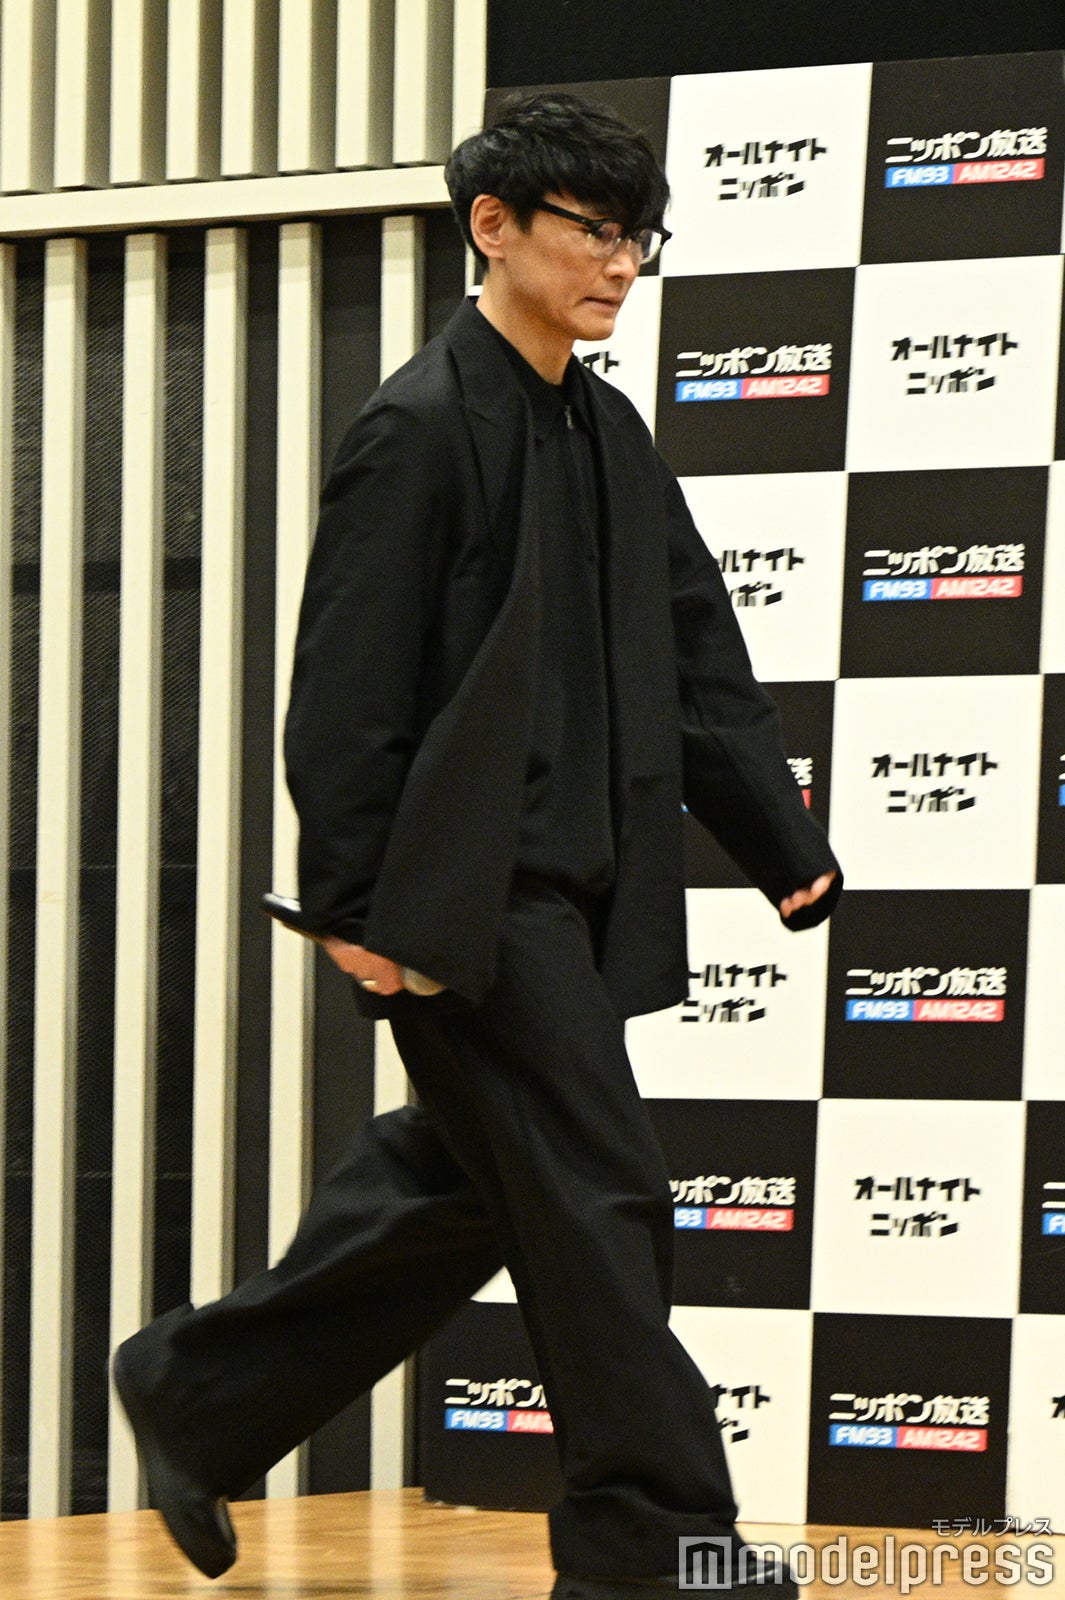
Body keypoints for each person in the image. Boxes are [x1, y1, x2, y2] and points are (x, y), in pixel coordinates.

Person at [113, 92, 841, 1600]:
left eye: (639, 237)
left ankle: (199, 1390)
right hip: (464, 901)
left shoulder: (605, 427)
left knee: (470, 1182)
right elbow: (344, 695)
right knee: (599, 1200)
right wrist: (355, 907)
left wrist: (777, 839)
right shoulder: (419, 427)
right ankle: (655, 1552)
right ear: (491, 227)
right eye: (596, 231)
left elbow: (692, 650)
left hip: (575, 892)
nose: (622, 263)